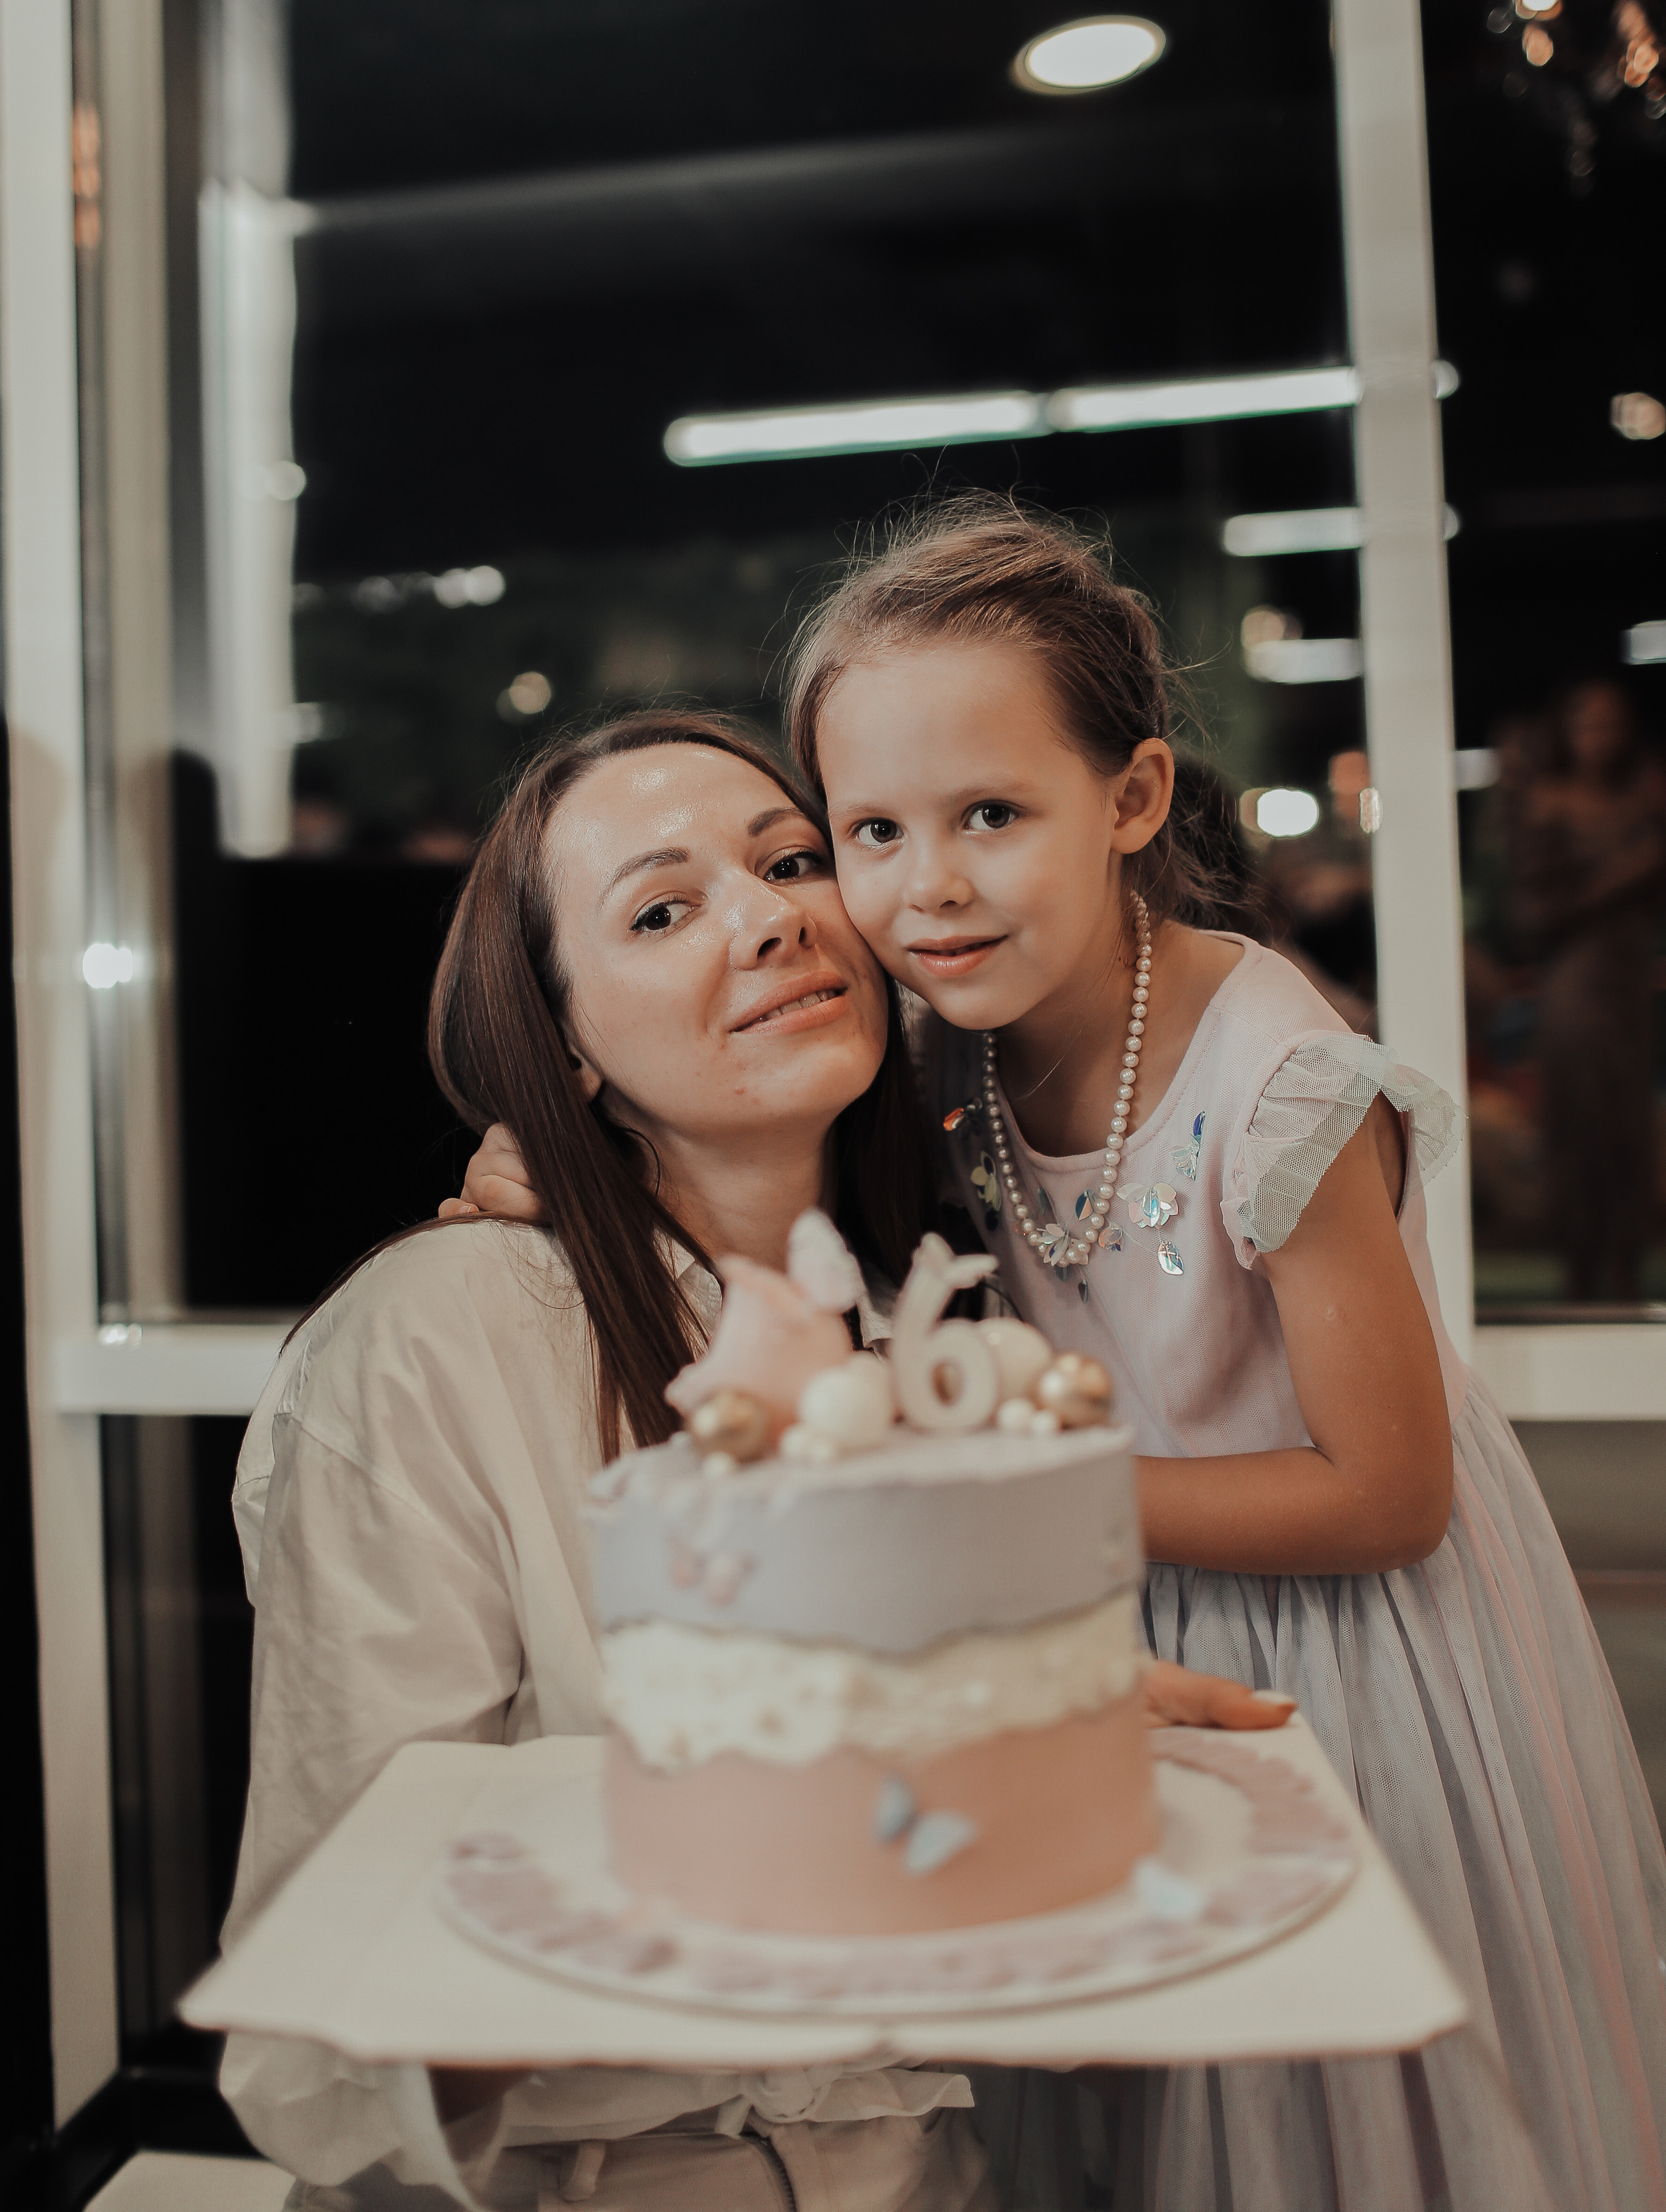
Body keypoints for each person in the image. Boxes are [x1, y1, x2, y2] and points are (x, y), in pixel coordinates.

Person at [460, 504, 1666, 2212]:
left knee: (1324, 2141)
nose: (923, 883)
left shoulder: (1278, 1083)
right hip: (1072, 1648)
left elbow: (1387, 1492)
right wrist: (555, 1161)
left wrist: (1007, 1498)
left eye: (990, 815)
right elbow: (732, 1152)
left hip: (1334, 1670)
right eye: (866, 830)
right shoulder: (936, 1043)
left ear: (1131, 798)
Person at [227, 709, 1289, 2212]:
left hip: (931, 2171)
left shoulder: (939, 1322)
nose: (770, 917)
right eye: (660, 909)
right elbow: (334, 1999)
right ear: (562, 1041)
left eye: (793, 862)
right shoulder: (441, 1334)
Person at [1510, 678, 1666, 1302]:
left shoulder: (1642, 799)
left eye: (1611, 723)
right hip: (1575, 980)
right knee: (1581, 1122)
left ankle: (1627, 1257)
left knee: (1630, 1120)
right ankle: (1581, 1259)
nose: (1601, 737)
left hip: (1628, 979)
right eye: (1588, 724)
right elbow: (1532, 913)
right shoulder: (1552, 803)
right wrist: (1632, 870)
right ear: (1567, 732)